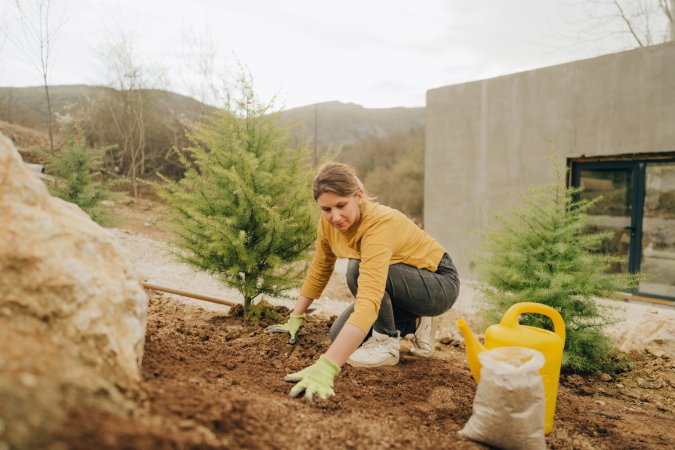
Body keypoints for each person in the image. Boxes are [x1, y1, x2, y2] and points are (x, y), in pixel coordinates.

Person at [266, 162, 460, 400]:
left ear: (358, 196)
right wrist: (296, 317)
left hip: (438, 283)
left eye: (341, 205)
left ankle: (386, 343)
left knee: (356, 269)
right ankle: (418, 323)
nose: (334, 217)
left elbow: (369, 298)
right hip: (402, 284)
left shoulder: (379, 225)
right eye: (326, 209)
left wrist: (327, 366)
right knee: (339, 336)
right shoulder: (329, 225)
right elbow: (320, 268)